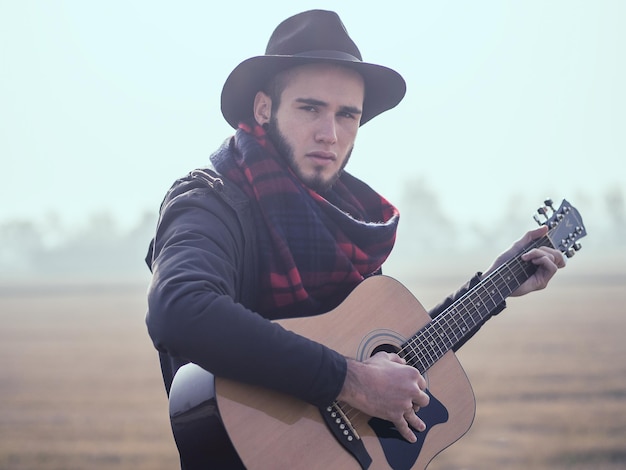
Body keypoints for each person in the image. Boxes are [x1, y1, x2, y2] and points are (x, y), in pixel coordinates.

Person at [145, 9, 566, 468]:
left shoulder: (349, 221)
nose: (330, 134)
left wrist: (496, 283)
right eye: (310, 108)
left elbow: (393, 359)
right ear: (264, 107)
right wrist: (354, 381)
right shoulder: (211, 202)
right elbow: (180, 309)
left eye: (348, 115)